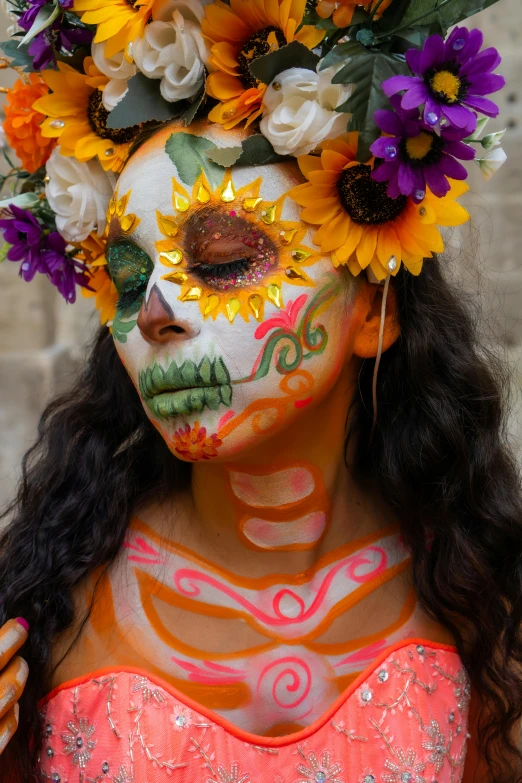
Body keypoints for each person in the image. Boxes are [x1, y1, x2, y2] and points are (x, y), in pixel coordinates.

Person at [0, 1, 520, 781]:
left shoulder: (484, 607)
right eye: (130, 274)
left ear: (374, 308)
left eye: (223, 257)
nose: (155, 315)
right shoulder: (43, 609)